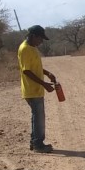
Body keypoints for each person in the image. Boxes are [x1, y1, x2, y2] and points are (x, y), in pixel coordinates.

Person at [18, 25, 57, 153]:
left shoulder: (32, 48)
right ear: (34, 36)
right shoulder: (25, 49)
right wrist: (44, 84)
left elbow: (34, 67)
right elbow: (26, 71)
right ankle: (38, 145)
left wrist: (47, 73)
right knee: (38, 116)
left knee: (37, 116)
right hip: (32, 89)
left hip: (36, 89)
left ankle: (34, 142)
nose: (41, 42)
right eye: (40, 39)